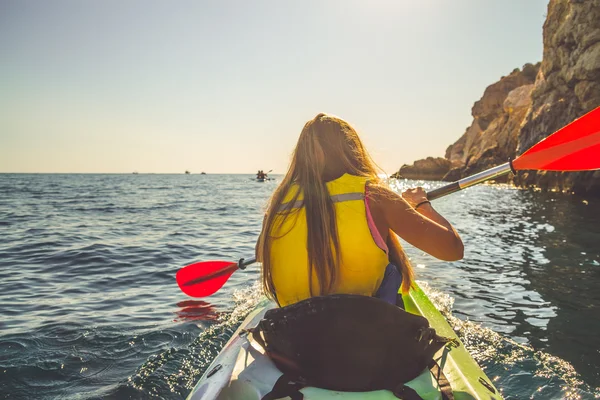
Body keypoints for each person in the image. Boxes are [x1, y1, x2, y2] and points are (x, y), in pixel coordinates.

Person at [256, 113, 463, 307]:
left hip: (293, 332)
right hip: (362, 331)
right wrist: (421, 205)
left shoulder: (277, 205)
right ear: (353, 151)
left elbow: (260, 255)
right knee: (391, 269)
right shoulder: (375, 197)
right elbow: (453, 250)